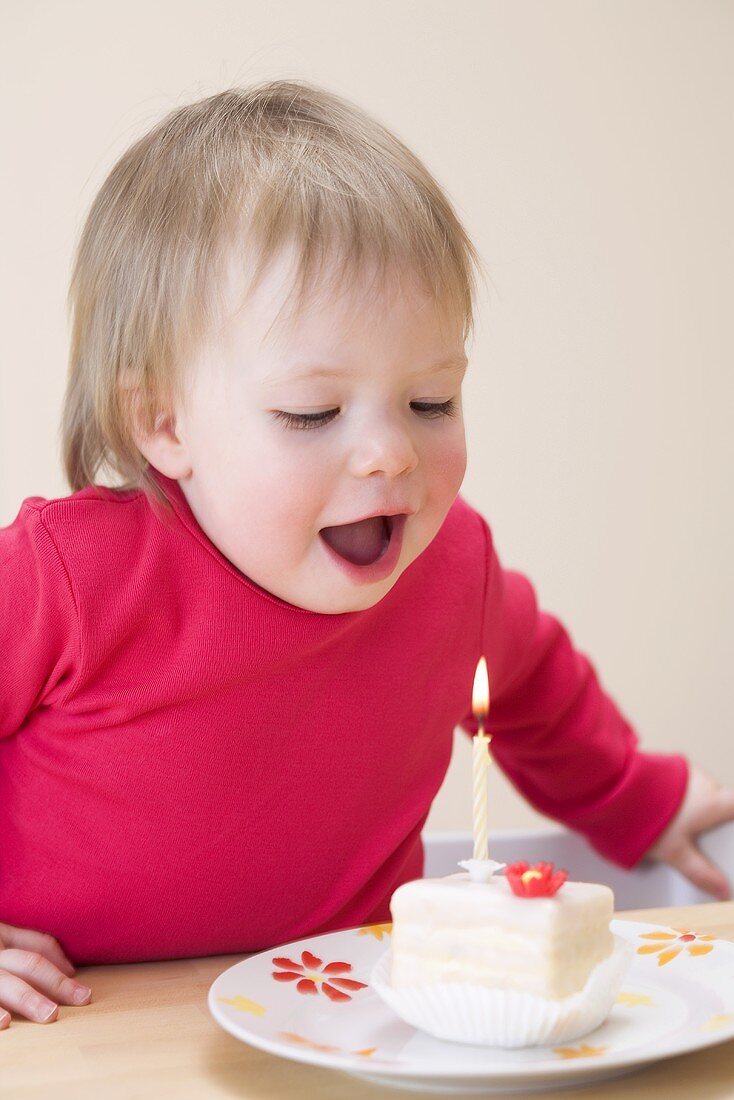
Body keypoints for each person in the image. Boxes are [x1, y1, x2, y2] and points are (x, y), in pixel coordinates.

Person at [1, 79, 732, 1030]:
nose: (392, 451)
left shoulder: (452, 571)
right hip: (72, 1024)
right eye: (313, 413)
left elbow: (538, 692)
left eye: (433, 402)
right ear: (163, 422)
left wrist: (647, 802)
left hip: (338, 1014)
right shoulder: (71, 577)